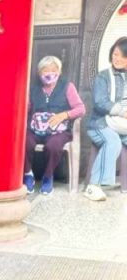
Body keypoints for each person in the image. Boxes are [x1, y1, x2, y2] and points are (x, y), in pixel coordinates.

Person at [24, 56, 85, 196]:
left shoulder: (67, 87)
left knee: (54, 145)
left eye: (53, 70)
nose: (49, 73)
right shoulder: (33, 89)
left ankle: (48, 176)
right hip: (35, 129)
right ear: (39, 73)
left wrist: (64, 115)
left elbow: (81, 109)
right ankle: (28, 174)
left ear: (59, 71)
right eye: (45, 70)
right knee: (24, 142)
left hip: (59, 131)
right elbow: (25, 108)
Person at [85, 37, 127, 201]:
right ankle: (93, 186)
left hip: (122, 126)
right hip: (101, 123)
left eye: (122, 56)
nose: (117, 59)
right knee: (113, 142)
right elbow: (100, 103)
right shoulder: (103, 77)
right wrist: (123, 112)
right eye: (115, 54)